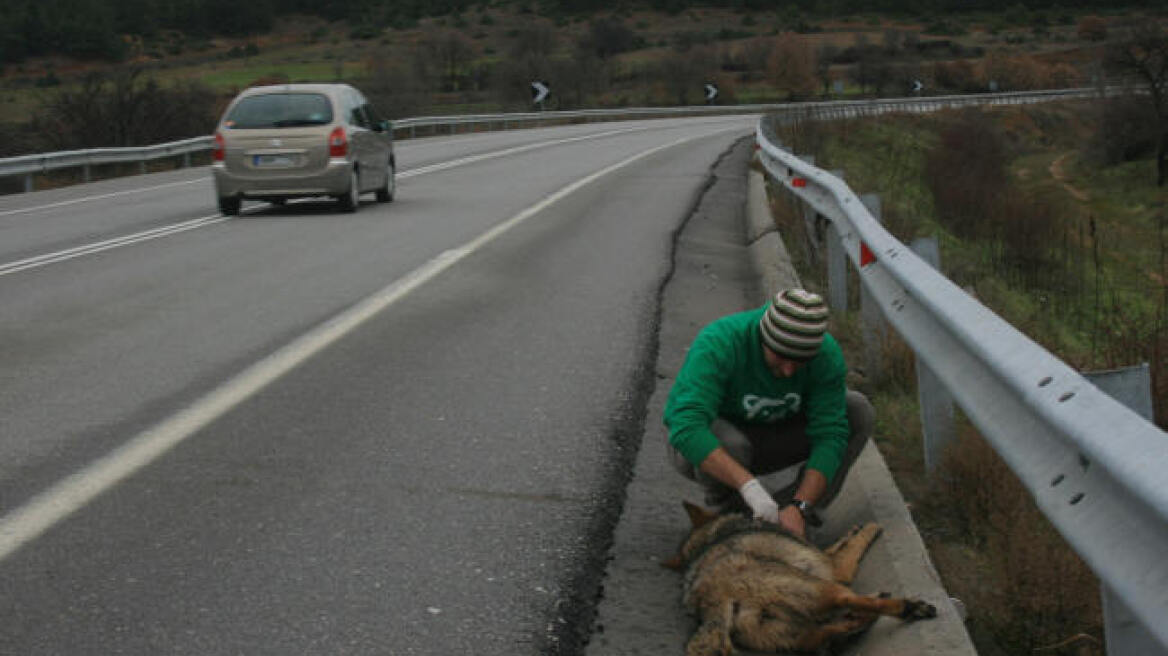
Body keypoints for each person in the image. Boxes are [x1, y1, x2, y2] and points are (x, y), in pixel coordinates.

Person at [664, 288, 873, 539]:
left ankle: (793, 515)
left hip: (774, 437)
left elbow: (830, 436)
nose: (787, 371)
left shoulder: (826, 357)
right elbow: (686, 426)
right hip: (716, 445)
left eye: (799, 362)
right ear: (764, 339)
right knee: (728, 442)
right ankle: (728, 511)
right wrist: (750, 488)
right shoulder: (721, 342)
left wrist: (800, 506)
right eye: (780, 357)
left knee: (857, 411)